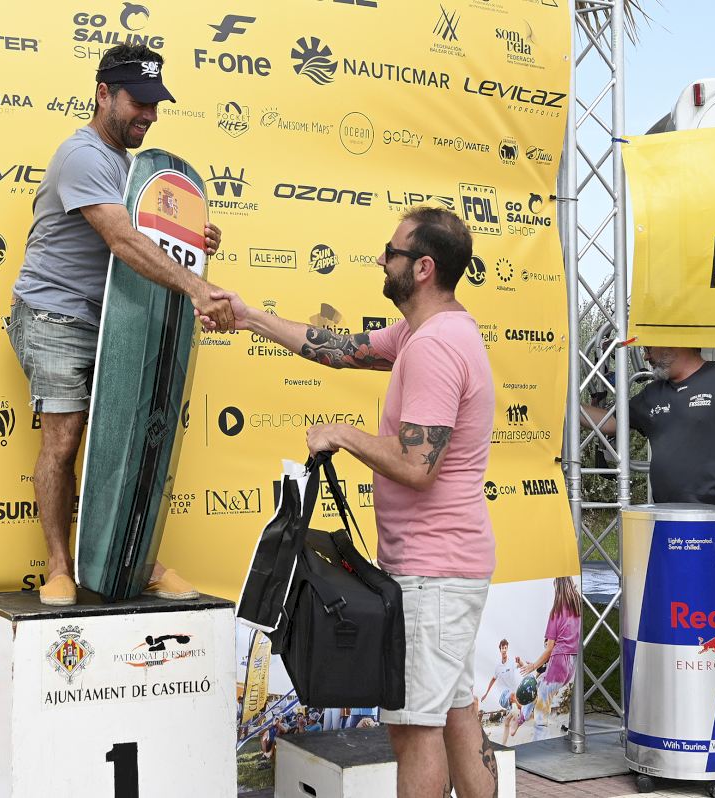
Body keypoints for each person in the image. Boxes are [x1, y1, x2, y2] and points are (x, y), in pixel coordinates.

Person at [203, 207, 497, 797]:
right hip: (444, 569)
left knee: (414, 731)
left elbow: (416, 464)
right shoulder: (427, 332)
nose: (381, 260)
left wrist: (343, 433)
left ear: (422, 268)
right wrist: (249, 316)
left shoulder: (435, 346)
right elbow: (338, 349)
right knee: (456, 714)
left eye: (392, 252)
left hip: (432, 575)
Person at [7, 43, 233, 606]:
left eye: (156, 104)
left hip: (116, 320)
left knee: (128, 439)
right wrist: (196, 287)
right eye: (140, 102)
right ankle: (60, 568)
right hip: (56, 314)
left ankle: (135, 561)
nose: (150, 115)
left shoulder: (137, 170)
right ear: (104, 94)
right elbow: (123, 240)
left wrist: (195, 238)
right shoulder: (81, 155)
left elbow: (151, 238)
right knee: (64, 441)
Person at [583, 344, 715, 750]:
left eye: (650, 348)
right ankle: (701, 712)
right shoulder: (653, 395)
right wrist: (562, 405)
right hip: (668, 527)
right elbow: (611, 424)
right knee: (695, 619)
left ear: (674, 342)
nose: (646, 357)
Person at [519, 577, 581, 739]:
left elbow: (549, 649)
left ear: (557, 588)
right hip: (572, 664)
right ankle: (523, 715)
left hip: (559, 662)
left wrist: (533, 666)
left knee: (542, 705)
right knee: (540, 684)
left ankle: (539, 739)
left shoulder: (556, 612)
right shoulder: (578, 609)